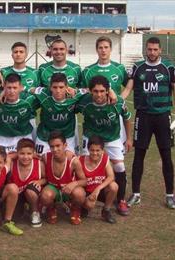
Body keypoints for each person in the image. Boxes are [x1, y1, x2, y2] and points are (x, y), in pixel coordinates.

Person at [121, 37, 175, 209]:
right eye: (149, 49)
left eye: (155, 49)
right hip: (143, 117)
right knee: (139, 155)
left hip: (163, 117)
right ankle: (135, 194)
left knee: (166, 156)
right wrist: (118, 101)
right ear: (145, 50)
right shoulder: (137, 67)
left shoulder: (169, 68)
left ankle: (170, 195)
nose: (152, 52)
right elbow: (128, 88)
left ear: (160, 50)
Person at [76, 75, 132, 216]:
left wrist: (129, 138)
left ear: (108, 91)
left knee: (119, 166)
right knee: (83, 166)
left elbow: (127, 118)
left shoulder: (117, 102)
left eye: (102, 91)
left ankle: (120, 200)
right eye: (95, 91)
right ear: (90, 91)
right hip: (91, 137)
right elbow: (71, 94)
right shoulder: (84, 102)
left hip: (111, 138)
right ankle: (83, 200)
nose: (99, 94)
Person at [82, 36, 128, 145]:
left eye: (106, 47)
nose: (103, 50)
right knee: (94, 152)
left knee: (117, 152)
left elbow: (128, 86)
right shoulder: (88, 71)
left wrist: (119, 99)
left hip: (114, 115)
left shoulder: (119, 68)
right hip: (95, 116)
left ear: (111, 49)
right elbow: (82, 90)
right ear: (96, 49)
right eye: (100, 47)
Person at [40, 131, 87, 225]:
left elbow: (84, 181)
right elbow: (34, 160)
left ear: (65, 145)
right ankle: (51, 209)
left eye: (58, 146)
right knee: (45, 195)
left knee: (80, 194)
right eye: (52, 146)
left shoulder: (73, 161)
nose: (55, 149)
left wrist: (74, 184)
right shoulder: (45, 157)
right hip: (53, 189)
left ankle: (75, 209)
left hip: (68, 190)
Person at [35, 73, 85, 155]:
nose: (58, 91)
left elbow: (90, 90)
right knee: (41, 160)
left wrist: (110, 91)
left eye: (61, 87)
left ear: (66, 87)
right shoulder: (43, 95)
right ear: (50, 87)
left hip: (67, 136)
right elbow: (26, 89)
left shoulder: (75, 96)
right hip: (45, 136)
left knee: (70, 161)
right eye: (55, 87)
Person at [0, 42, 39, 139]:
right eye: (15, 52)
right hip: (8, 119)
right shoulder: (3, 72)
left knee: (29, 152)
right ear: (12, 55)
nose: (18, 54)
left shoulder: (35, 73)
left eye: (21, 52)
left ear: (26, 54)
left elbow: (41, 92)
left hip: (29, 118)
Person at [0, 73, 38, 153]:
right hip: (1, 139)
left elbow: (47, 92)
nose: (12, 91)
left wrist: (26, 89)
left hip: (23, 138)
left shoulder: (29, 100)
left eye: (15, 88)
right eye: (9, 88)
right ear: (4, 87)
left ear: (20, 88)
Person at [79, 136, 118, 224]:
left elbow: (111, 176)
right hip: (86, 191)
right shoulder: (80, 160)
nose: (95, 153)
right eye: (92, 150)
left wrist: (98, 189)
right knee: (90, 205)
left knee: (114, 186)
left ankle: (106, 211)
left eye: (98, 150)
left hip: (99, 190)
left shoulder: (105, 158)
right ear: (88, 149)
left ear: (102, 150)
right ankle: (83, 207)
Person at [8, 138, 46, 227]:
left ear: (34, 153)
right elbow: (5, 158)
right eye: (22, 153)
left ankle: (34, 211)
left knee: (31, 190)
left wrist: (40, 181)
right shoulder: (12, 163)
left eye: (29, 153)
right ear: (17, 153)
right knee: (13, 217)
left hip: (32, 192)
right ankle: (22, 207)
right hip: (17, 194)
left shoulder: (39, 164)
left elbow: (47, 179)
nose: (25, 157)